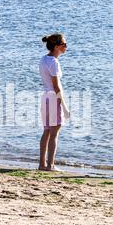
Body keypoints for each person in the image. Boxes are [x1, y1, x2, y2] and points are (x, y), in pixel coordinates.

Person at [39, 33, 70, 172]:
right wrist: (64, 106)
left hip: (45, 97)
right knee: (54, 133)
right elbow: (57, 86)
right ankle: (50, 165)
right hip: (53, 98)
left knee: (46, 131)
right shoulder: (54, 63)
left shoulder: (44, 59)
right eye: (64, 44)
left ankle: (42, 164)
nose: (66, 47)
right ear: (57, 46)